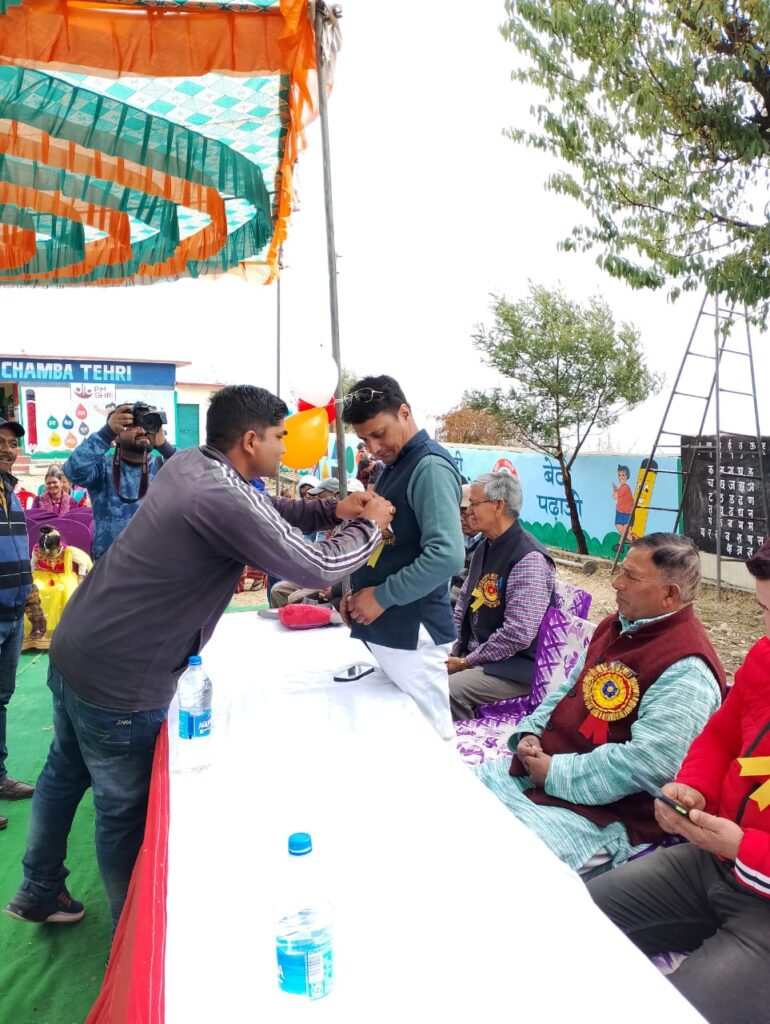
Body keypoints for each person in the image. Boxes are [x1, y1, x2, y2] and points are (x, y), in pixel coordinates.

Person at [3, 385, 392, 929]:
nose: (285, 448)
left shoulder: (191, 465)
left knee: (63, 771)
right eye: (280, 437)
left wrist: (330, 508)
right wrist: (368, 524)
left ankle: (38, 888)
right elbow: (316, 567)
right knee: (121, 811)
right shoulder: (217, 494)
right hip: (121, 678)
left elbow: (264, 509)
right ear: (251, 440)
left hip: (80, 646)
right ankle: (130, 938)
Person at [587, 538, 770, 1024]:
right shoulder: (765, 657)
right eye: (764, 610)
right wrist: (692, 786)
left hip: (758, 889)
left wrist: (744, 848)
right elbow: (722, 734)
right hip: (712, 861)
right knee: (578, 918)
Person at [475, 534, 725, 875]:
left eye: (631, 577)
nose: (616, 583)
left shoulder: (687, 668)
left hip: (598, 814)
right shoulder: (618, 626)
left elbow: (649, 764)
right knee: (449, 805)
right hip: (539, 776)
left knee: (494, 865)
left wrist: (555, 773)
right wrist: (531, 732)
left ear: (670, 594)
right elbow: (569, 687)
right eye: (621, 571)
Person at [340, 375, 464, 740]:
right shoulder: (396, 466)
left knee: (431, 741)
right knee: (404, 736)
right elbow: (391, 544)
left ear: (405, 413)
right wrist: (354, 593)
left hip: (414, 630)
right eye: (365, 440)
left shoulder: (429, 467)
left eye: (379, 434)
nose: (374, 448)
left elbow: (447, 555)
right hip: (391, 629)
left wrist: (380, 596)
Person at [448, 473, 556, 720]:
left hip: (515, 667)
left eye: (474, 503)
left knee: (446, 690)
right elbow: (463, 602)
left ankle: (467, 740)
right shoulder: (485, 546)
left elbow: (518, 634)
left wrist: (467, 662)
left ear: (498, 505)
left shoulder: (529, 559)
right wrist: (455, 650)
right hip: (481, 656)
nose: (467, 511)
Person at [0, 417, 47, 831]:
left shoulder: (11, 493)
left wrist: (32, 605)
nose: (7, 449)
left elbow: (20, 555)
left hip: (13, 616)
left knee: (0, 699)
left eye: (12, 443)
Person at [62, 403, 176, 559]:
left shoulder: (166, 466)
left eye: (148, 424)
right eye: (134, 425)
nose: (142, 430)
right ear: (116, 435)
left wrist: (165, 447)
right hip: (110, 564)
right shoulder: (102, 467)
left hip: (156, 564)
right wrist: (106, 433)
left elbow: (199, 480)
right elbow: (73, 471)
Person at [23, 527, 91, 652]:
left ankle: (58, 630)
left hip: (63, 577)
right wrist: (30, 578)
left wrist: (81, 577)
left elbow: (82, 562)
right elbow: (33, 564)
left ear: (58, 547)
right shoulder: (36, 549)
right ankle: (37, 632)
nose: (47, 556)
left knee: (61, 590)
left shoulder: (68, 551)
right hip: (42, 575)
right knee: (37, 590)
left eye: (50, 554)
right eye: (44, 553)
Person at [450, 483, 483, 607]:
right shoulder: (451, 538)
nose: (460, 518)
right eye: (458, 512)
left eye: (465, 512)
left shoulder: (487, 546)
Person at [612, 464, 635, 548]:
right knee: (620, 528)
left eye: (623, 475)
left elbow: (615, 496)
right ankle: (635, 541)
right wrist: (615, 489)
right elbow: (617, 493)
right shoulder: (621, 488)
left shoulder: (626, 487)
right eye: (619, 475)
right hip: (619, 512)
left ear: (627, 476)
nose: (621, 477)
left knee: (625, 530)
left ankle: (620, 545)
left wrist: (615, 492)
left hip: (628, 513)